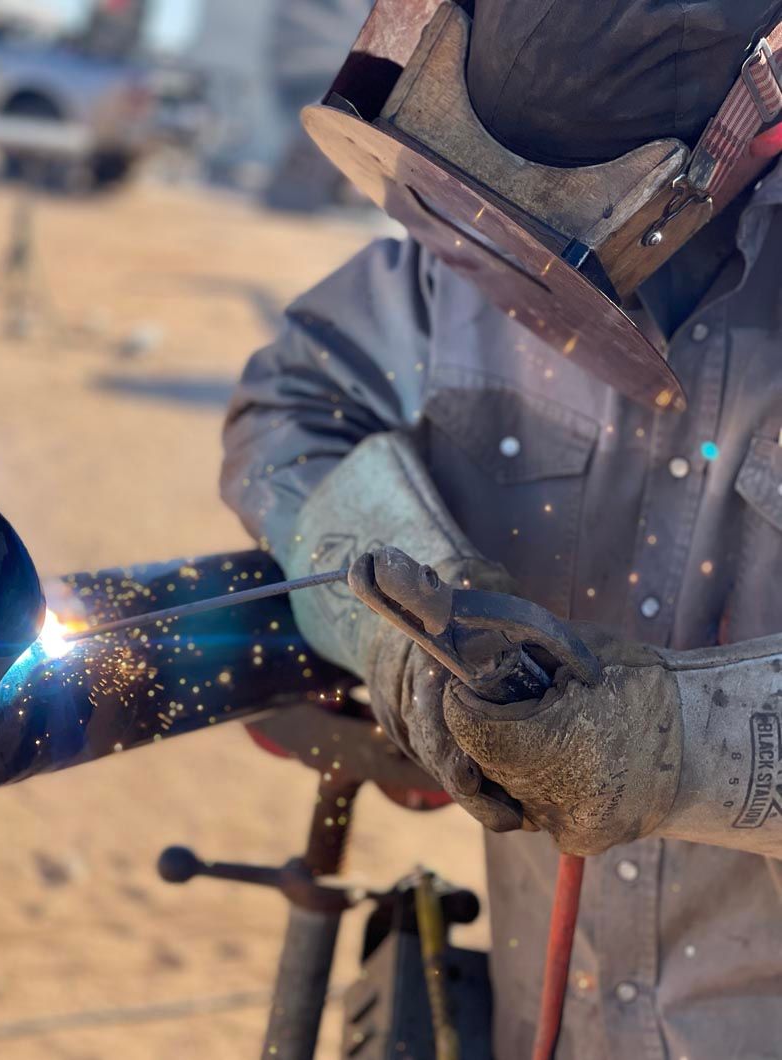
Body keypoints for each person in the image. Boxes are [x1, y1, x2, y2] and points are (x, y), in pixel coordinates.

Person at [222, 2, 782, 1055]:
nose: (518, 275)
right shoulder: (466, 248)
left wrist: (683, 749)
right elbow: (289, 408)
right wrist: (396, 626)